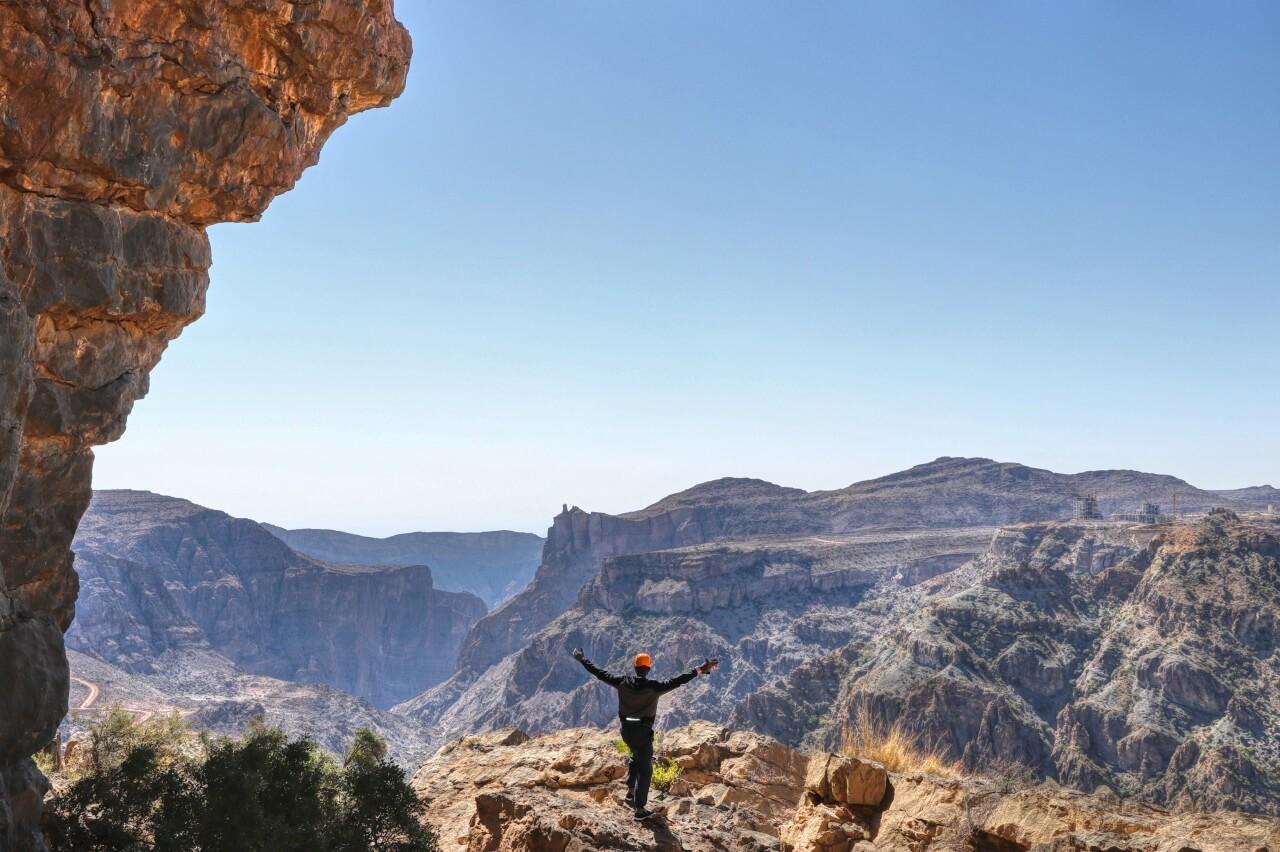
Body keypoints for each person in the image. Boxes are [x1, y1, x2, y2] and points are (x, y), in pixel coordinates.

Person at [571, 647, 718, 819]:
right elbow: (679, 680)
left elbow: (599, 673)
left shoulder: (622, 682)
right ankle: (640, 809)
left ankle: (630, 791)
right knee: (646, 770)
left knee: (635, 756)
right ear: (649, 668)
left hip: (626, 731)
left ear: (634, 667)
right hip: (642, 733)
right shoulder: (654, 687)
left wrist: (582, 660)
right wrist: (700, 669)